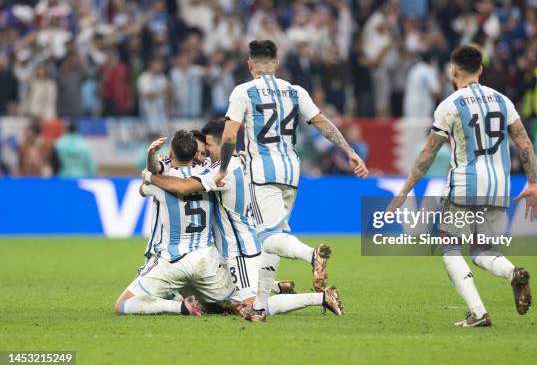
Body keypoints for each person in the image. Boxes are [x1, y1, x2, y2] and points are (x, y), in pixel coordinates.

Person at [213, 40, 368, 322]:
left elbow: (228, 136)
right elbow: (323, 123)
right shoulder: (295, 91)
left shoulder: (243, 92)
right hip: (291, 173)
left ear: (250, 65)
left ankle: (312, 255)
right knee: (276, 236)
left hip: (262, 174)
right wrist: (350, 152)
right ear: (277, 64)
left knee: (267, 237)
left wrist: (222, 168)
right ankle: (259, 306)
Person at [388, 45, 537, 327]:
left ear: (453, 70)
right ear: (481, 70)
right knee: (483, 251)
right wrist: (532, 182)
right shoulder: (503, 101)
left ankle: (478, 313)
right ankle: (512, 272)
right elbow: (524, 142)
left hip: (466, 184)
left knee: (449, 246)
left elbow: (428, 153)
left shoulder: (449, 105)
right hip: (498, 187)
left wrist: (405, 189)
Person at [143, 119, 344, 319]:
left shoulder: (222, 171)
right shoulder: (243, 161)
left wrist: (151, 177)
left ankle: (322, 298)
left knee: (254, 306)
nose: (202, 154)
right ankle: (278, 285)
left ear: (224, 143)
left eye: (209, 147)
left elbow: (184, 187)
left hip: (239, 250)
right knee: (220, 298)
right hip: (247, 241)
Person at [115, 130, 238, 316]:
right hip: (207, 261)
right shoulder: (208, 175)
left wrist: (150, 165)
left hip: (173, 261)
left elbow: (143, 187)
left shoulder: (161, 182)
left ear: (170, 152)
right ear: (196, 152)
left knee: (123, 304)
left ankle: (178, 306)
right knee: (235, 301)